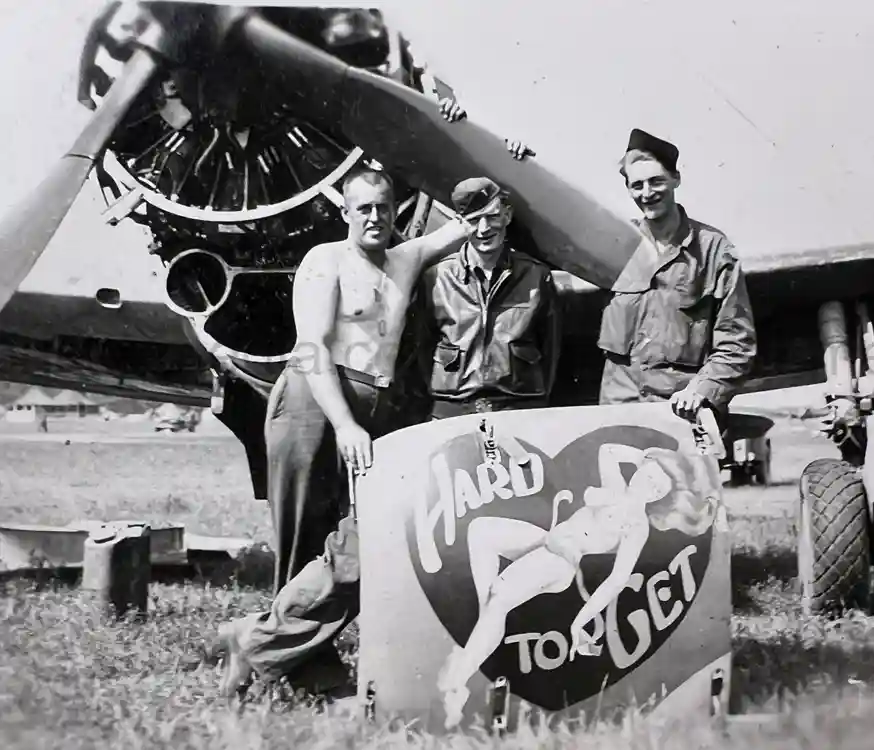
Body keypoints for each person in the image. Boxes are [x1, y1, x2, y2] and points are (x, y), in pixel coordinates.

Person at [211, 165, 518, 699]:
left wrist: (504, 156)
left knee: (366, 536)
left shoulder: (407, 258)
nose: (375, 217)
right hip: (315, 401)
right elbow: (309, 349)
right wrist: (345, 422)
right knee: (304, 536)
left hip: (373, 412)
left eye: (383, 206)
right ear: (345, 212)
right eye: (364, 208)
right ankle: (301, 663)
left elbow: (470, 215)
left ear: (394, 206)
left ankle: (262, 642)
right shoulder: (325, 261)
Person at [434, 441, 719, 728]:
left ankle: (457, 684)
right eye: (648, 476)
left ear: (660, 497)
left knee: (500, 599)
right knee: (481, 532)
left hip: (561, 561)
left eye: (657, 488)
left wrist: (579, 624)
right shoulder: (615, 486)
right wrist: (647, 456)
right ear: (640, 469)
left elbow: (616, 581)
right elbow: (607, 450)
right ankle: (482, 631)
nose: (648, 487)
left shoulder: (636, 527)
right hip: (547, 539)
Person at [597, 129, 756, 429]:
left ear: (676, 179)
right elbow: (549, 244)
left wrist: (701, 391)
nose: (647, 193)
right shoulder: (616, 245)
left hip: (682, 411)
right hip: (619, 409)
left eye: (656, 181)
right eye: (637, 185)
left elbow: (737, 344)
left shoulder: (713, 249)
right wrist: (516, 163)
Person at [419, 176, 561, 419]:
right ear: (461, 223)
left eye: (492, 216)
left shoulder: (537, 276)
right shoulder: (436, 279)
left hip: (519, 405)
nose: (484, 228)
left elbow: (551, 347)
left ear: (507, 215)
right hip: (452, 408)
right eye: (474, 220)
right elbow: (421, 348)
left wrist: (533, 398)